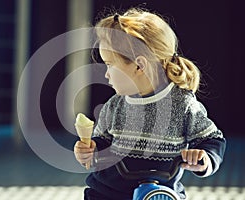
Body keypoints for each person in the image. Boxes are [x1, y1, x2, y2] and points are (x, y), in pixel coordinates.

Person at [73, 7, 226, 200]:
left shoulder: (182, 105)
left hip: (160, 194)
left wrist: (204, 157)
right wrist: (89, 151)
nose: (106, 74)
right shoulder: (114, 106)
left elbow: (213, 140)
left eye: (110, 65)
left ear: (139, 65)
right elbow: (102, 144)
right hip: (106, 194)